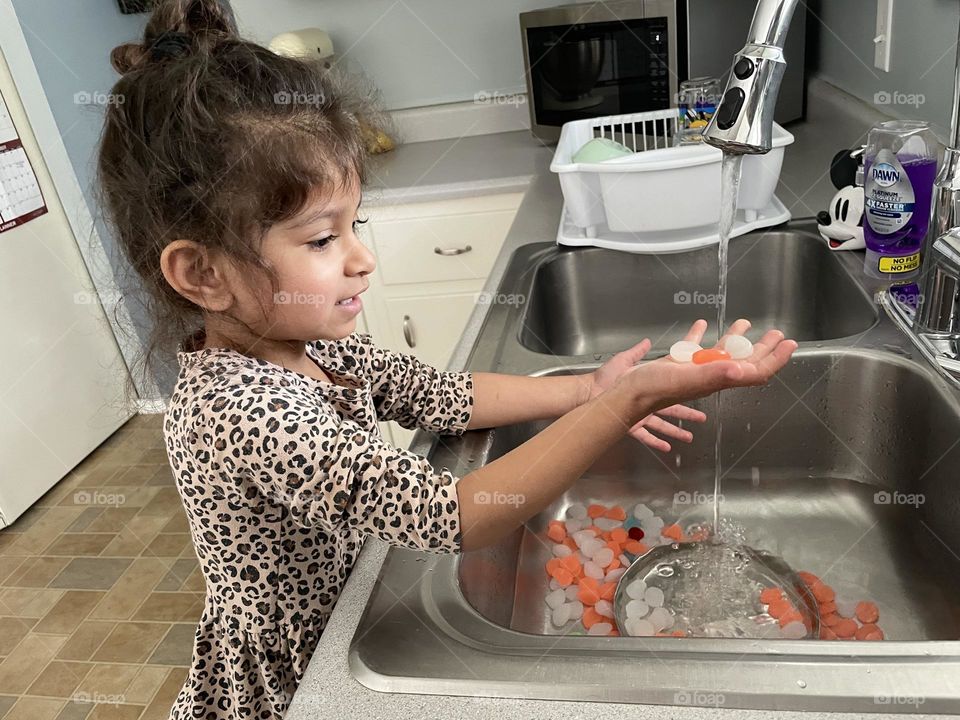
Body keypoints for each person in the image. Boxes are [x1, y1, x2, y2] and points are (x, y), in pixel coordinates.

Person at [97, 1, 798, 717]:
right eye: (320, 241)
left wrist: (589, 387)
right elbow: (451, 514)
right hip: (298, 680)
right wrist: (623, 404)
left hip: (346, 612)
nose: (362, 260)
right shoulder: (245, 411)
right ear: (202, 274)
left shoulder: (309, 344)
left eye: (354, 225)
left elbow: (442, 396)